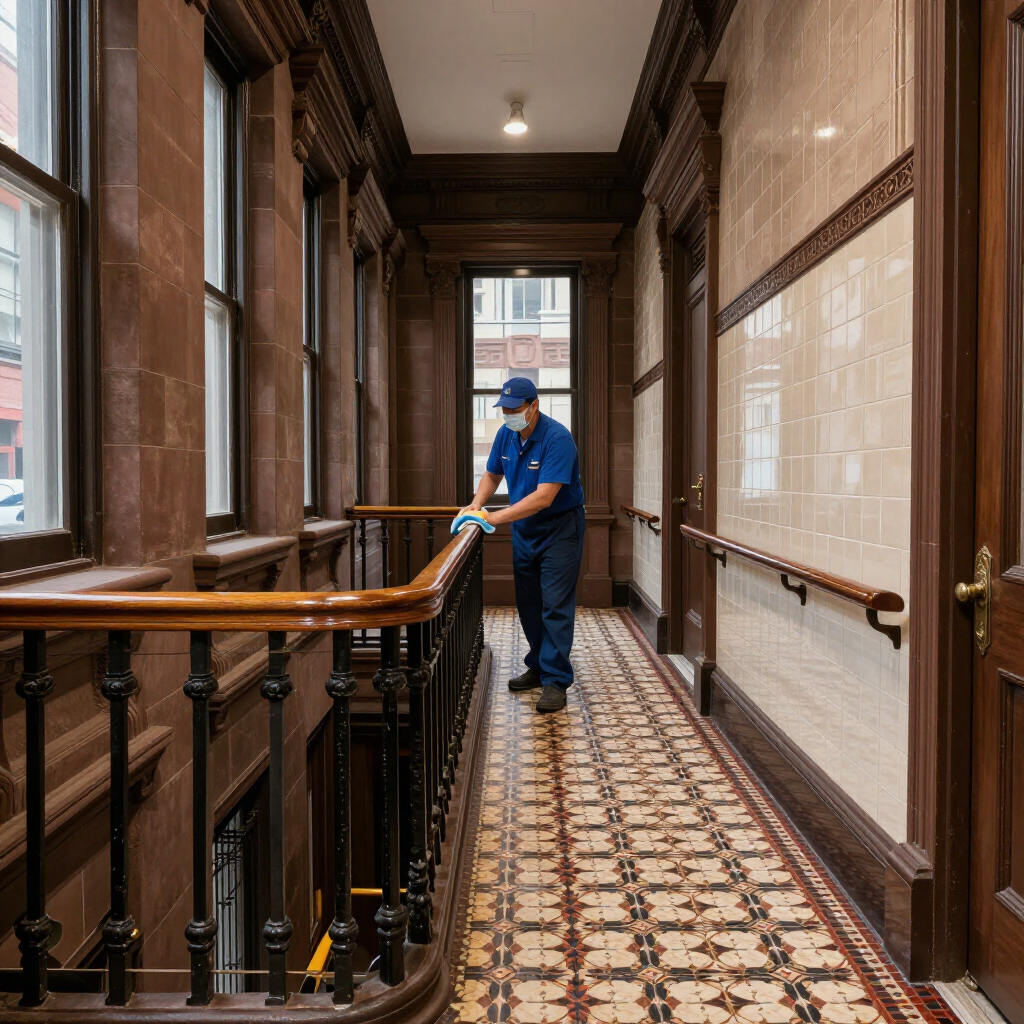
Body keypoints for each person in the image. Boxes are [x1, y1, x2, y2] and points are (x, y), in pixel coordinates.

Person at [457, 376, 585, 713]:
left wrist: (493, 518)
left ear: (534, 407)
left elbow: (544, 497)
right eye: (505, 409)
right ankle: (539, 666)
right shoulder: (506, 434)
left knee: (554, 604)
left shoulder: (557, 439)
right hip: (525, 530)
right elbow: (492, 474)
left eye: (515, 409)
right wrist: (475, 505)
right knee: (528, 603)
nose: (509, 415)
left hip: (560, 529)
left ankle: (556, 681)